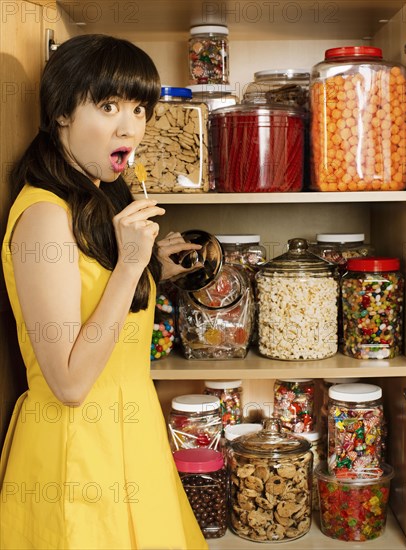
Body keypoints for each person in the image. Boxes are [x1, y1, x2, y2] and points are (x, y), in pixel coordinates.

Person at [0, 34, 208, 550]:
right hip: (77, 458)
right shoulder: (44, 218)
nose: (129, 127)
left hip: (131, 441)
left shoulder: (94, 200)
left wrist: (151, 268)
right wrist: (129, 266)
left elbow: (92, 295)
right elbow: (69, 384)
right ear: (62, 113)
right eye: (108, 105)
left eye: (139, 109)